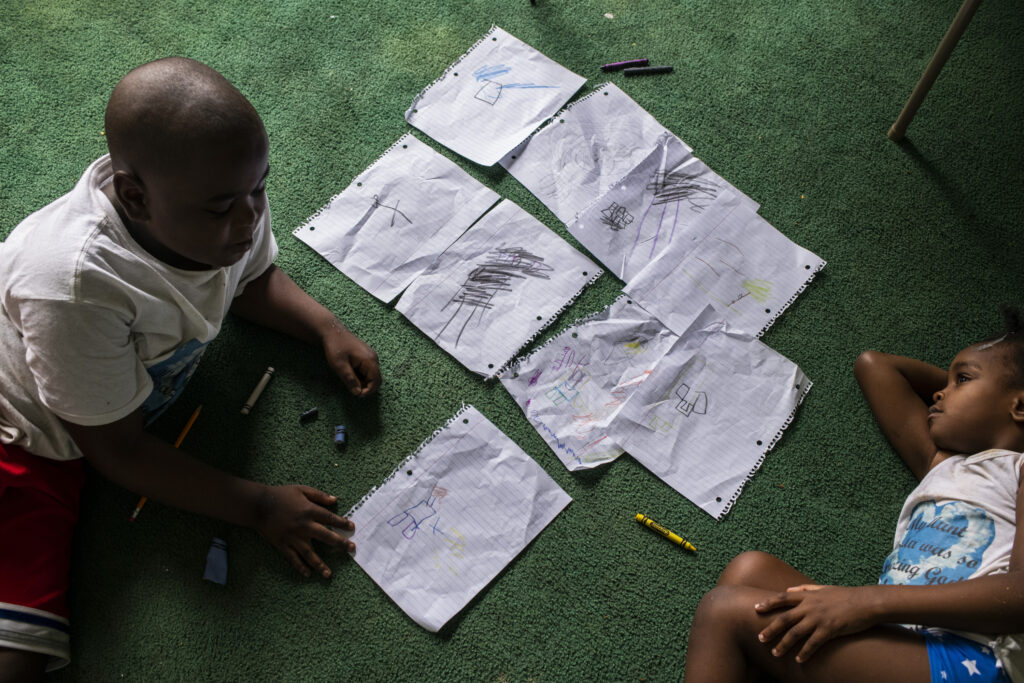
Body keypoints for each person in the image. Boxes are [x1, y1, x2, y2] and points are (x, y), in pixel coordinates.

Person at [0, 57, 382, 679]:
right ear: (134, 197)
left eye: (259, 190)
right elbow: (117, 450)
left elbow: (250, 280)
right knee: (21, 654)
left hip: (95, 405)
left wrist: (324, 328)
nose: (250, 218)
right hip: (28, 435)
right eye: (224, 208)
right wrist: (258, 506)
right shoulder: (74, 285)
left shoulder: (220, 193)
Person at [684, 307, 1024, 682]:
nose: (940, 391)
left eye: (961, 379)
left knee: (723, 611)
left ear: (1020, 405)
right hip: (906, 637)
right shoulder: (942, 465)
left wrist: (867, 602)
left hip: (975, 658)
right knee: (749, 572)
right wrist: (966, 392)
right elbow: (875, 366)